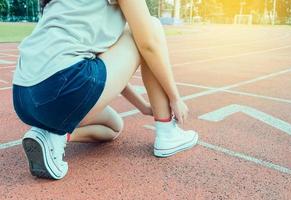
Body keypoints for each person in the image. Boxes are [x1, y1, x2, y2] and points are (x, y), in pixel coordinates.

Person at [12, 0, 199, 180]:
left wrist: (142, 106)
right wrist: (175, 98)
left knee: (112, 127)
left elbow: (108, 64)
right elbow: (149, 45)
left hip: (23, 97)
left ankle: (54, 136)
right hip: (61, 88)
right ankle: (167, 133)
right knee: (151, 26)